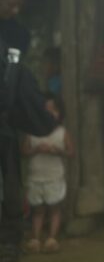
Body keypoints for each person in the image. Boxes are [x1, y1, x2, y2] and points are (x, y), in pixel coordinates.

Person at [0, 0, 56, 262]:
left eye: (19, 6)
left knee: (11, 187)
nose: (15, 10)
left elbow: (18, 77)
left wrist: (39, 107)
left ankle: (10, 244)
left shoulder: (17, 35)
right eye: (11, 3)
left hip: (5, 124)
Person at [22, 94, 74, 253]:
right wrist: (36, 149)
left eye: (54, 110)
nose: (51, 113)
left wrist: (56, 150)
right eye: (47, 110)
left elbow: (71, 152)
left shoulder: (62, 132)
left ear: (60, 113)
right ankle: (36, 239)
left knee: (54, 208)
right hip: (36, 177)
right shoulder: (32, 132)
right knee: (37, 209)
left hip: (54, 177)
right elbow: (24, 151)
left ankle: (52, 238)